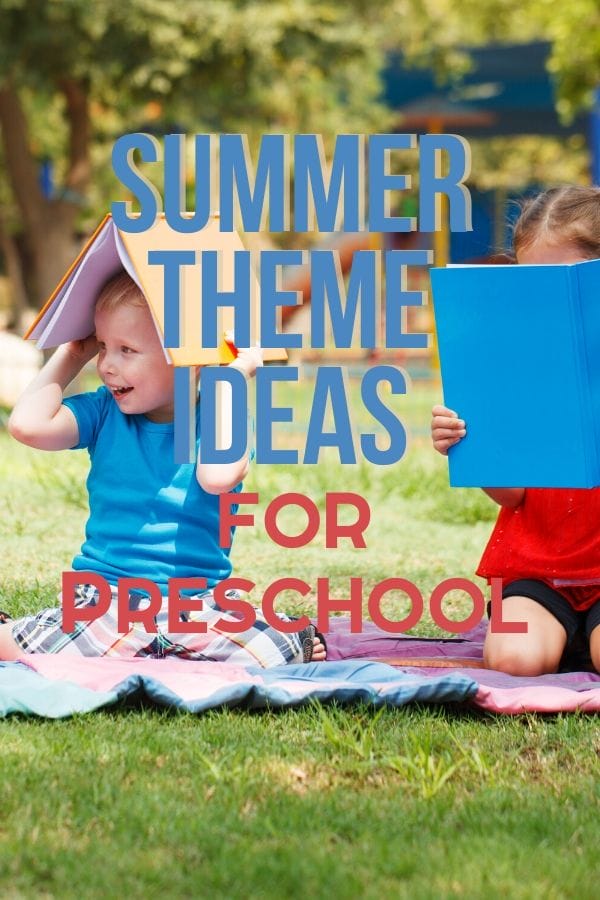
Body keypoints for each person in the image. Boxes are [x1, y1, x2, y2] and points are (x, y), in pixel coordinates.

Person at [1, 272, 326, 666]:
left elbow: (218, 476)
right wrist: (72, 354)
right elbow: (27, 426)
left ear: (188, 359)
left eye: (127, 350)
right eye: (102, 346)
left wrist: (230, 378)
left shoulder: (222, 417)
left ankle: (288, 634)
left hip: (195, 603)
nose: (107, 365)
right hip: (107, 600)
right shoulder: (104, 411)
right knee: (27, 645)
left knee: (273, 652)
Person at [431, 185, 600, 676]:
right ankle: (570, 639)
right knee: (512, 660)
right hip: (535, 570)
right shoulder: (510, 363)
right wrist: (470, 447)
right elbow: (511, 495)